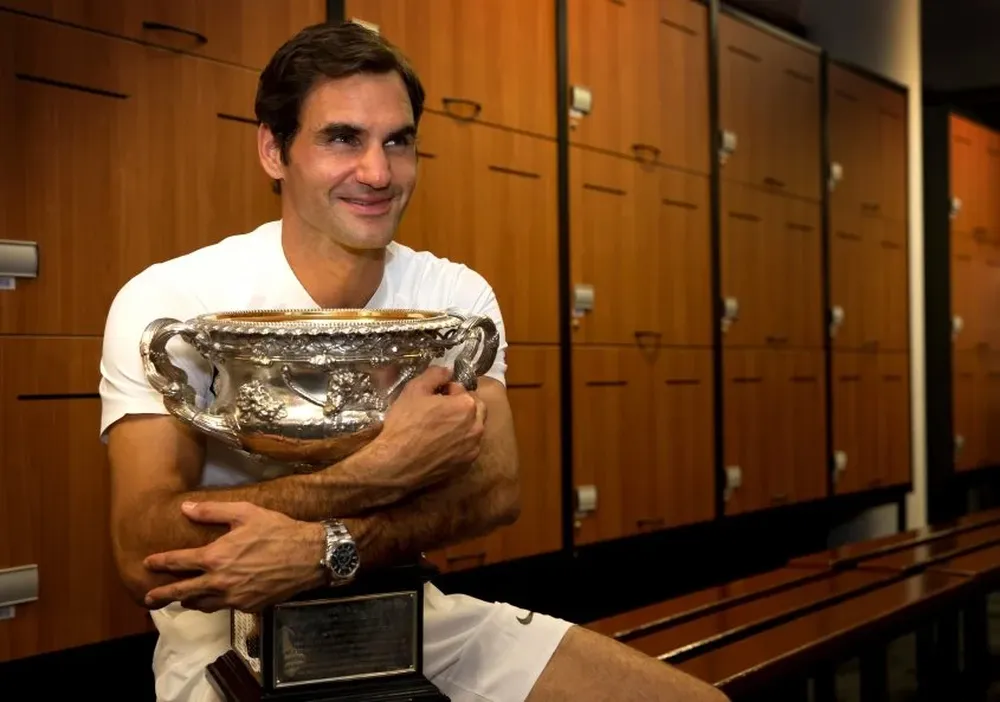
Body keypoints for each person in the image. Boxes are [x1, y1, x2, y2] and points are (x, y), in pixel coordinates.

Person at [99, 20, 730, 702]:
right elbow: (143, 551)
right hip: (224, 640)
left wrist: (326, 550)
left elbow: (495, 491)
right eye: (343, 138)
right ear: (274, 150)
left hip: (408, 614)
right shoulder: (174, 301)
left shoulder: (453, 298)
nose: (378, 173)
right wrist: (381, 470)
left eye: (397, 142)